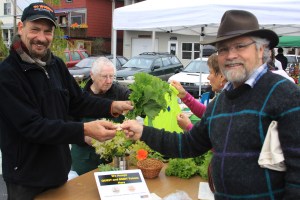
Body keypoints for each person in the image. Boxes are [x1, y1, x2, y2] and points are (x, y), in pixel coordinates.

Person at [121, 10, 300, 199]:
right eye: (223, 49)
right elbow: (188, 144)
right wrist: (143, 132)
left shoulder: (284, 93)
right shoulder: (221, 102)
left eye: (240, 46)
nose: (230, 55)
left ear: (260, 50)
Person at [0, 2, 133, 199]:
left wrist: (112, 106)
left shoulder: (56, 65)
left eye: (48, 31)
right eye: (35, 29)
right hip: (26, 179)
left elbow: (78, 101)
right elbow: (32, 127)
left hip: (58, 170)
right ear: (21, 28)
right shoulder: (8, 74)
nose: (41, 38)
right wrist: (85, 130)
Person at [71, 57, 131, 175]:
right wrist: (84, 137)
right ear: (92, 75)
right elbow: (69, 127)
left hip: (112, 156)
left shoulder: (118, 91)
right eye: (104, 76)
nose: (109, 81)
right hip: (85, 158)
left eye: (112, 76)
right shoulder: (79, 97)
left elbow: (132, 97)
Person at [171, 53, 227, 131]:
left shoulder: (226, 104)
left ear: (222, 77)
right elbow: (207, 113)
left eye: (211, 72)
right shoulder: (223, 97)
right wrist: (184, 95)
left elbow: (209, 139)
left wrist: (188, 126)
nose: (208, 77)